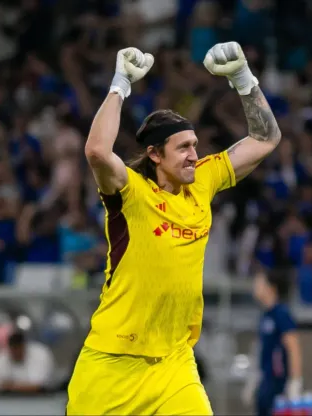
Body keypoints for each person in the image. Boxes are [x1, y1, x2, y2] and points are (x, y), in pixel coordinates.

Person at [66, 42, 282, 415]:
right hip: (112, 364)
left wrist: (244, 79)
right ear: (154, 154)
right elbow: (98, 152)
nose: (195, 156)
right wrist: (120, 84)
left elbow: (266, 139)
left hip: (174, 364)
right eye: (183, 148)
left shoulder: (203, 179)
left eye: (195, 145)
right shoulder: (131, 193)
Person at [245, 269, 304, 416]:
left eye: (259, 283)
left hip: (278, 383)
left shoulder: (281, 314)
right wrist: (254, 378)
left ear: (271, 287)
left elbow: (293, 348)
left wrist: (295, 381)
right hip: (266, 381)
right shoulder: (265, 315)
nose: (255, 287)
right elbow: (260, 349)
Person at [0, 331, 54, 395]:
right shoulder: (1, 357)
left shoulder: (40, 354)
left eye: (18, 350)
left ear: (24, 346)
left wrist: (8, 386)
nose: (15, 353)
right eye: (13, 350)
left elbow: (38, 386)